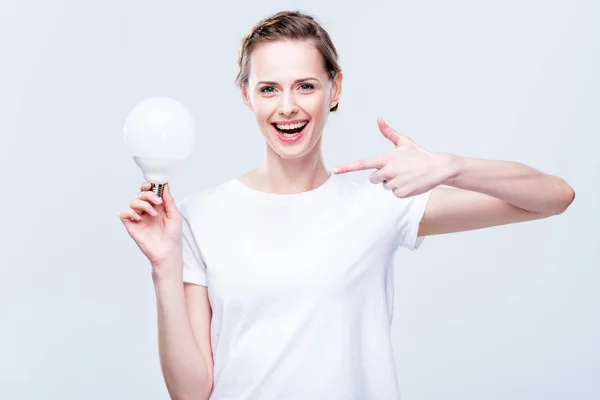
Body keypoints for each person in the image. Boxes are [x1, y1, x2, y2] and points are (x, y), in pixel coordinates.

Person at [119, 10, 575, 400]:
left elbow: (553, 197)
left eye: (305, 86)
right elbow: (191, 391)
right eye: (269, 89)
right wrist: (164, 266)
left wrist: (449, 166)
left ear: (334, 90)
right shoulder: (200, 216)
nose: (288, 107)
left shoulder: (380, 206)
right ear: (246, 96)